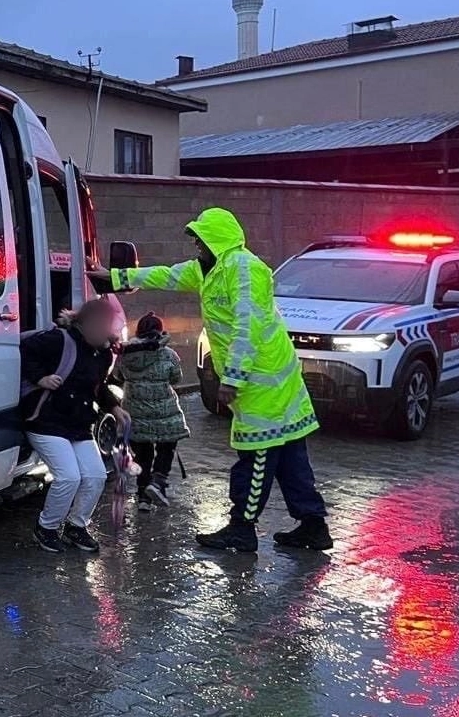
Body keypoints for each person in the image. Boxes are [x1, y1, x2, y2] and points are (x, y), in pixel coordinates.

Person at [92, 207, 333, 553]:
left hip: (263, 383)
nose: (196, 247)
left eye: (200, 241)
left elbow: (247, 328)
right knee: (290, 458)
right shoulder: (207, 270)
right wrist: (113, 278)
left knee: (256, 457)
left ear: (214, 240)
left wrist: (232, 378)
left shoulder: (244, 269)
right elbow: (164, 275)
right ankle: (313, 525)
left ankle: (242, 528)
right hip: (271, 382)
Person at [21, 299, 131, 553]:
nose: (104, 330)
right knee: (69, 477)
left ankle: (76, 526)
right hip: (45, 420)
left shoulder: (103, 354)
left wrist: (115, 408)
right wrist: (40, 378)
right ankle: (46, 528)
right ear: (84, 323)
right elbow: (23, 350)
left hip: (78, 423)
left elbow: (97, 387)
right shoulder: (58, 340)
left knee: (96, 476)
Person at [118, 311, 189, 511]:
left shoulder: (125, 354)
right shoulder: (168, 354)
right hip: (164, 414)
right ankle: (158, 482)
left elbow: (118, 375)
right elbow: (176, 379)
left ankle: (143, 497)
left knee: (142, 454)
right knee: (167, 446)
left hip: (135, 413)